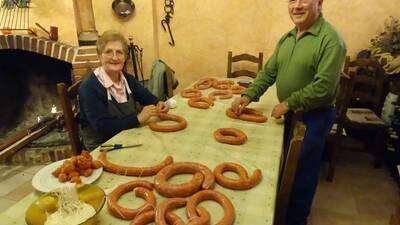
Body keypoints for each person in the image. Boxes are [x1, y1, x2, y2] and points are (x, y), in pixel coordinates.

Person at [231, 0, 346, 224]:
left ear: (319, 3)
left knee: (302, 171)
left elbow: (325, 87)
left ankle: (296, 219)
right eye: (292, 0)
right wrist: (248, 95)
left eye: (304, 0)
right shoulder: (287, 38)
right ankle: (279, 212)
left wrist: (288, 103)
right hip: (291, 113)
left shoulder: (331, 39)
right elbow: (269, 72)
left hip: (314, 116)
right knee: (285, 166)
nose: (297, 6)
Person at [78, 30, 167, 151]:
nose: (115, 57)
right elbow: (103, 127)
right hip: (102, 145)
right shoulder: (89, 87)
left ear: (125, 57)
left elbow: (146, 97)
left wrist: (158, 103)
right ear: (100, 56)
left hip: (128, 135)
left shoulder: (127, 79)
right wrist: (138, 118)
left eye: (119, 52)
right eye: (108, 52)